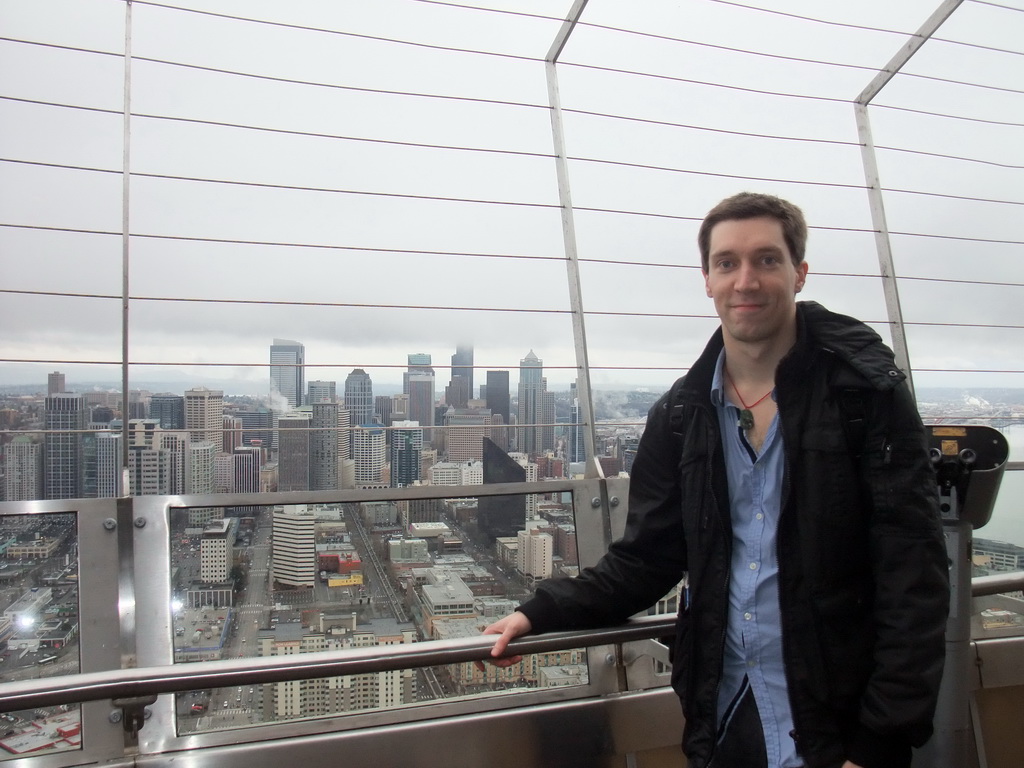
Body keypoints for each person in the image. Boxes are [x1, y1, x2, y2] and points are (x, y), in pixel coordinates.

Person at [483, 192, 949, 768]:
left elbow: (914, 577)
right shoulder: (680, 416)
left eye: (767, 260)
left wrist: (879, 742)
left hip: (836, 725)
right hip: (724, 714)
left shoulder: (864, 399)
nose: (745, 280)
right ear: (707, 279)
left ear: (800, 273)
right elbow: (646, 558)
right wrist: (541, 612)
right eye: (727, 262)